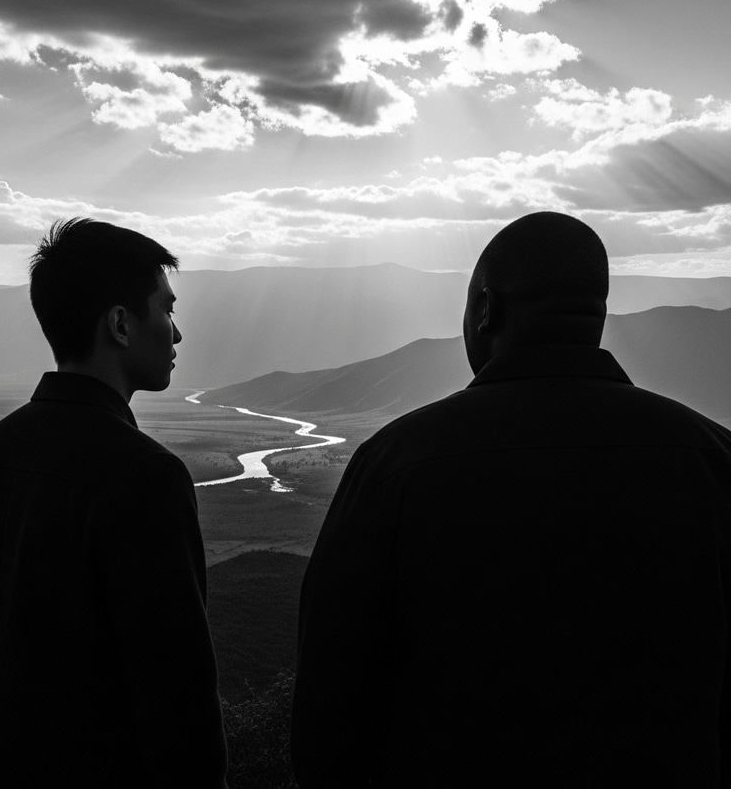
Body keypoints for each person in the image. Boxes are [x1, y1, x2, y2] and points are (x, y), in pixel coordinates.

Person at [292, 211, 731, 787]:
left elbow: (331, 707)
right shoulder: (714, 459)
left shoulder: (396, 465)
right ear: (596, 314)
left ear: (485, 309)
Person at [0, 219, 227, 788]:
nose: (177, 335)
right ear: (121, 324)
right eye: (167, 310)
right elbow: (178, 702)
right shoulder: (146, 477)